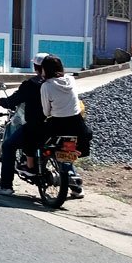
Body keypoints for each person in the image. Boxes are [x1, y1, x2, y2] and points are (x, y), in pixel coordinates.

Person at [0, 53, 48, 195]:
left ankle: (6, 186)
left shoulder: (32, 84)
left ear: (35, 67)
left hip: (37, 126)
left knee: (8, 146)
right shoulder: (63, 82)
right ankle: (75, 182)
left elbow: (13, 101)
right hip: (61, 125)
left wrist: (1, 101)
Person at [39, 55, 88, 199]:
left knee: (40, 143)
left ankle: (39, 170)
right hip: (77, 124)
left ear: (44, 69)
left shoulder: (46, 86)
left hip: (58, 124)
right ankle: (76, 186)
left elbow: (46, 111)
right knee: (68, 152)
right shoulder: (71, 80)